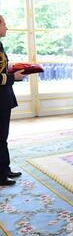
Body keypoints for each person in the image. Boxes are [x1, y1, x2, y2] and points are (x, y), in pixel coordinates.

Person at [0, 15, 25, 186]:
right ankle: (1, 175)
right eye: (4, 24)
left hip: (4, 96)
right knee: (0, 137)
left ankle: (5, 169)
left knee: (3, 136)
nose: (7, 28)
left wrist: (12, 70)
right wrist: (12, 76)